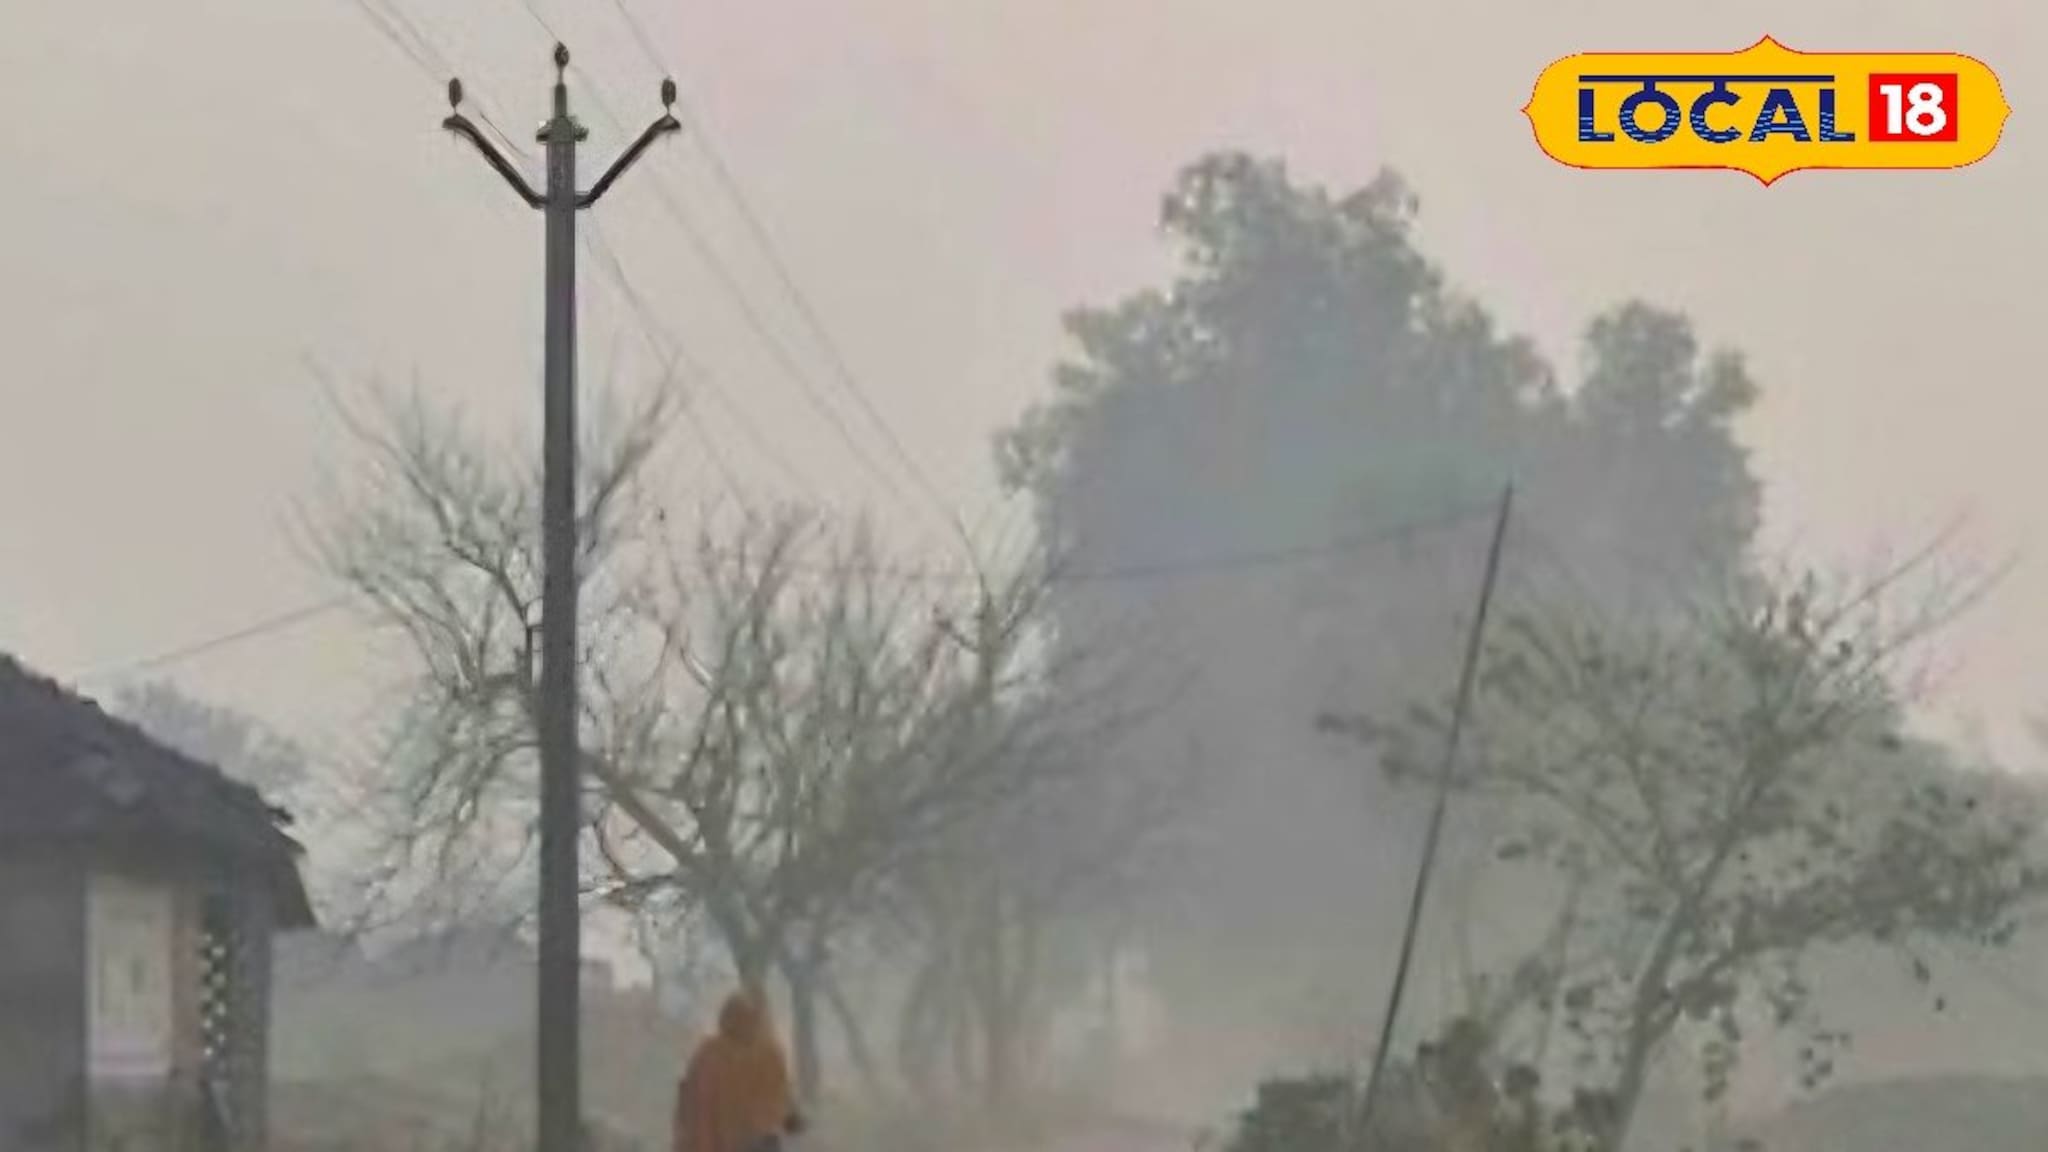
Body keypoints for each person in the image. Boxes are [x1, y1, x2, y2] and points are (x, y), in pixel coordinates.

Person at [674, 987, 806, 1152]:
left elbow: (689, 1105)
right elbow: (783, 1104)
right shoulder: (767, 1053)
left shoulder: (710, 1053)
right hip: (750, 1142)